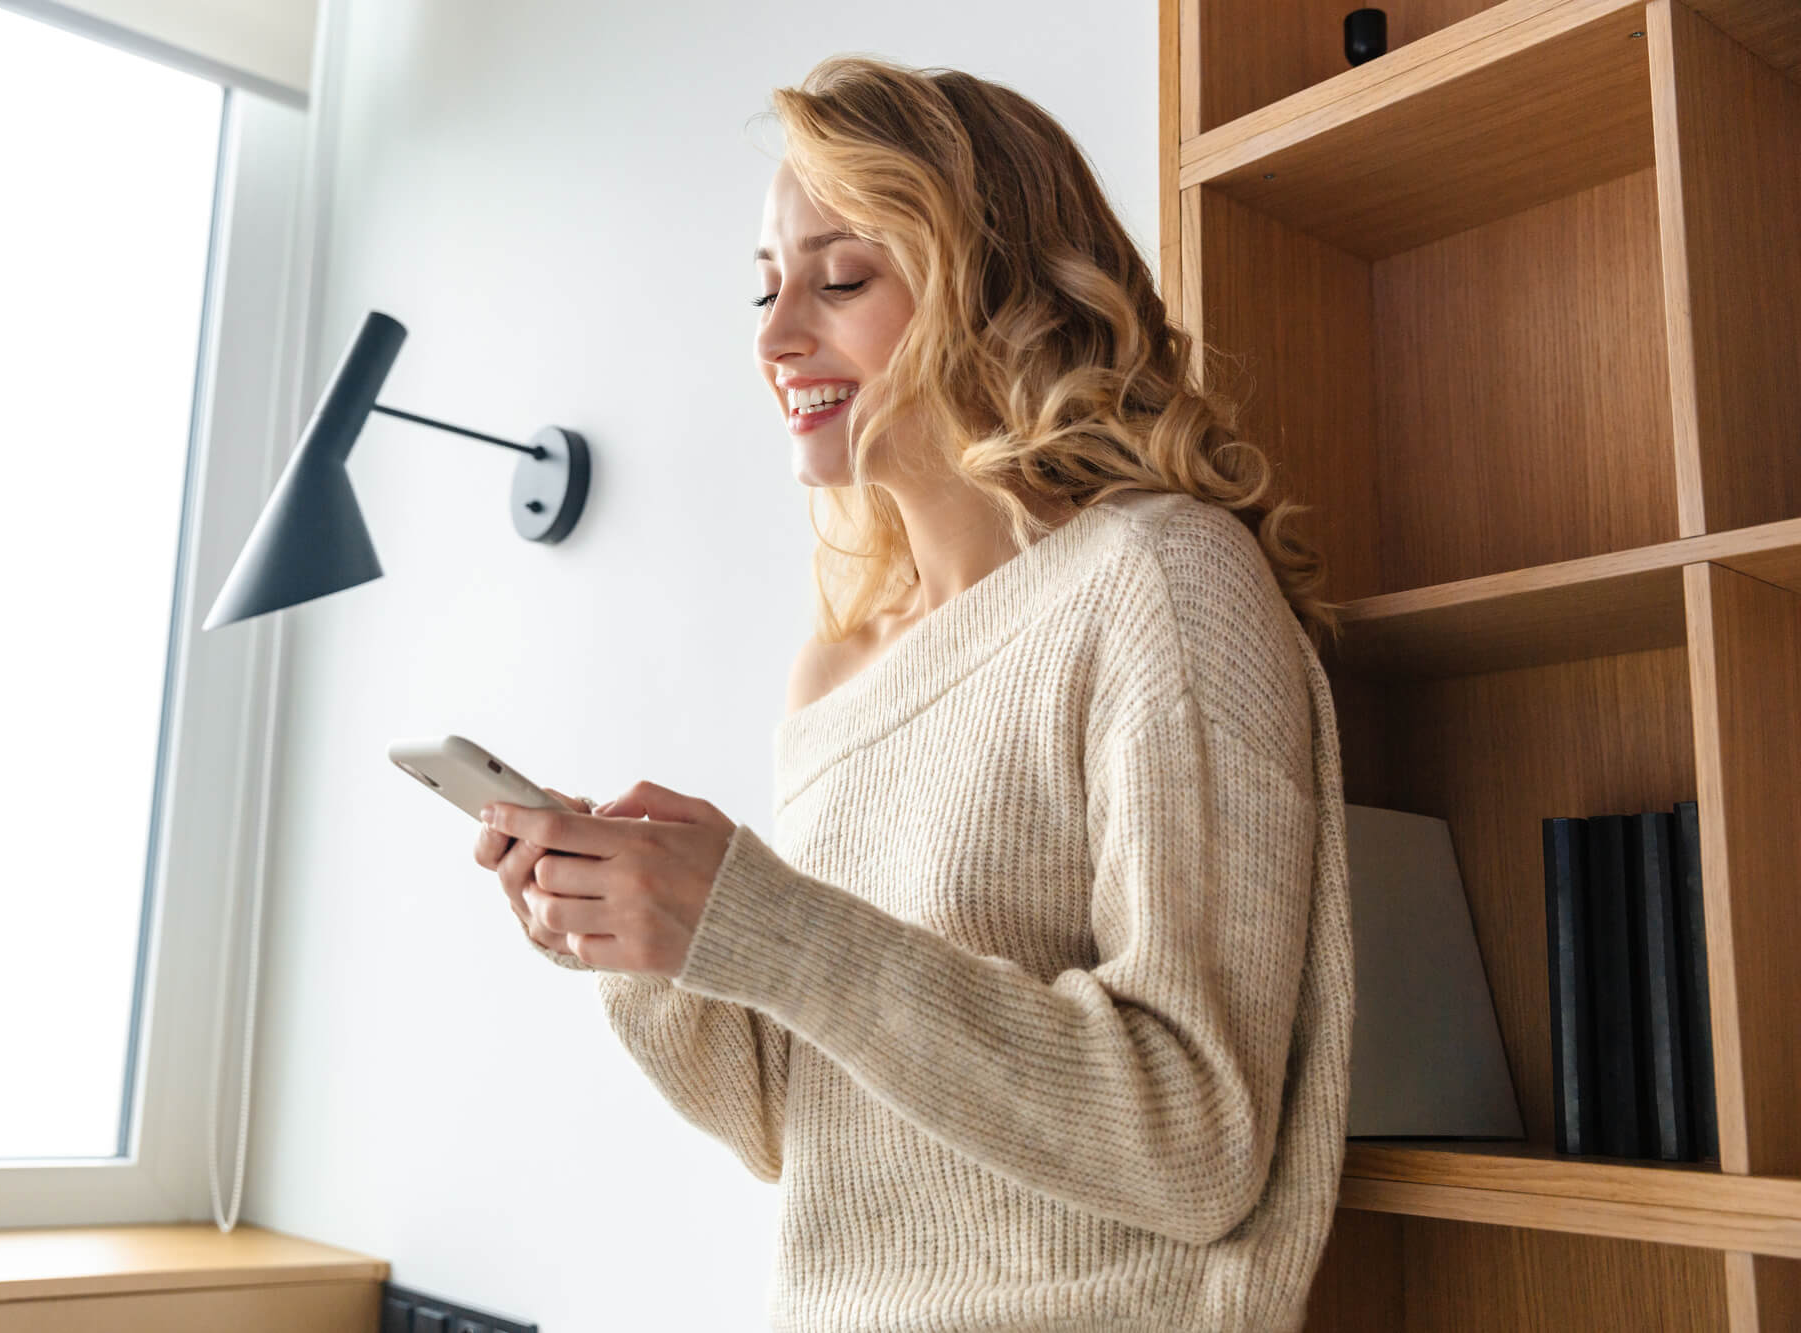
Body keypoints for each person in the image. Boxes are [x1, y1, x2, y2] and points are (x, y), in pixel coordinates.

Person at [472, 53, 1353, 1333]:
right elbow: (810, 1124)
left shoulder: (1159, 583)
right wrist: (646, 945)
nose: (776, 338)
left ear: (992, 287)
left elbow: (1191, 1138)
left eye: (840, 278)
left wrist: (767, 921)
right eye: (766, 287)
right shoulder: (833, 671)